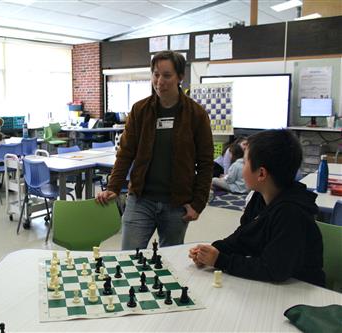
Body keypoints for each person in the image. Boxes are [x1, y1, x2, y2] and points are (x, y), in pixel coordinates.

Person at [96, 51, 214, 250]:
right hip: (141, 199)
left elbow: (205, 162)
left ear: (180, 77)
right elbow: (126, 153)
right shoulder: (139, 110)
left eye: (167, 75)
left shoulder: (196, 114)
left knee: (169, 264)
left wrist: (198, 203)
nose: (160, 81)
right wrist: (114, 186)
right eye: (156, 74)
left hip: (177, 203)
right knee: (129, 259)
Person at [189, 129, 325, 287]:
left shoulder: (291, 213)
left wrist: (220, 260)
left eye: (245, 162)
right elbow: (242, 238)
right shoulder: (259, 197)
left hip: (300, 291)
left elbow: (273, 270)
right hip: (272, 287)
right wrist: (212, 250)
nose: (240, 165)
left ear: (261, 174)